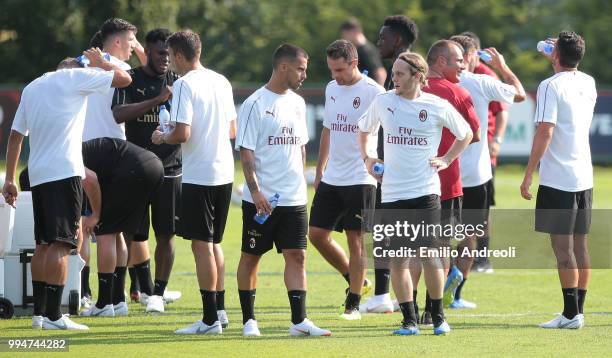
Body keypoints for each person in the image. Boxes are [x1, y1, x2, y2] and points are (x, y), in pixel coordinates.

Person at [2, 50, 131, 330]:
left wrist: (10, 178)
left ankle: (39, 314)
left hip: (38, 174)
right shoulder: (75, 76)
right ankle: (53, 316)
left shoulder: (33, 86)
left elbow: (15, 137)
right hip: (64, 173)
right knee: (62, 244)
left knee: (43, 245)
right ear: (75, 69)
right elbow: (124, 79)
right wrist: (100, 63)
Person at [358, 51, 473, 335]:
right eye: (393, 72)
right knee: (398, 258)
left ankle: (438, 317)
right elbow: (364, 129)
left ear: (417, 76)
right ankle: (409, 320)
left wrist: (446, 159)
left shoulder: (436, 105)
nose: (393, 78)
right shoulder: (384, 101)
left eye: (399, 74)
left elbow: (466, 132)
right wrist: (368, 158)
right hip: (393, 194)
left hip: (425, 192)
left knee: (430, 256)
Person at [235, 43, 331, 337]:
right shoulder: (254, 104)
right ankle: (249, 320)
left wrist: (301, 183)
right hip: (262, 200)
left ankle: (299, 322)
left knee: (297, 256)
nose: (305, 74)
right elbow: (246, 153)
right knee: (251, 257)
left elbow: (301, 148)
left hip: (294, 198)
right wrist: (256, 192)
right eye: (301, 68)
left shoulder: (298, 103)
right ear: (283, 67)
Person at [151, 30, 236, 334]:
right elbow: (231, 129)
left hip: (200, 175)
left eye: (170, 55)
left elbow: (182, 134)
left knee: (202, 246)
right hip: (225, 171)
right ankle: (221, 311)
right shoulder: (221, 81)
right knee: (214, 244)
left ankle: (210, 319)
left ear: (177, 55)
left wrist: (163, 135)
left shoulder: (184, 84)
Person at [521, 31, 595, 329]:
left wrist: (528, 174)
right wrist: (557, 55)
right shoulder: (588, 81)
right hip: (584, 176)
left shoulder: (549, 86)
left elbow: (545, 131)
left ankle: (569, 314)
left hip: (557, 179)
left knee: (562, 250)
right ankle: (577, 311)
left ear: (555, 54)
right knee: (581, 247)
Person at [308, 39, 385, 320]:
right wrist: (320, 170)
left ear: (354, 63)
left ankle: (353, 303)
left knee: (356, 240)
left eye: (339, 70)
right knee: (316, 235)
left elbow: (389, 131)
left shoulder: (374, 92)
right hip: (333, 176)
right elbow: (328, 129)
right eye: (331, 70)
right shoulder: (332, 88)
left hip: (361, 177)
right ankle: (357, 281)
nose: (335, 76)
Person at [449, 34, 525, 309]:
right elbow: (519, 94)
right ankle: (454, 294)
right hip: (475, 175)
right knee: (469, 236)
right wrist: (504, 67)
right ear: (470, 56)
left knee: (437, 235)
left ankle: (429, 296)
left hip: (443, 174)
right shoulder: (480, 81)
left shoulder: (432, 84)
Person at [411, 39, 481, 324]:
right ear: (440, 62)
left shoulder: (408, 90)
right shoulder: (458, 93)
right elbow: (474, 134)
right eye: (458, 60)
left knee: (410, 248)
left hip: (409, 184)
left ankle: (409, 310)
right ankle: (432, 310)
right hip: (446, 184)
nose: (464, 65)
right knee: (437, 249)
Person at [112, 28, 182, 313]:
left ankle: (158, 293)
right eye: (161, 53)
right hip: (136, 168)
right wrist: (156, 100)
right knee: (129, 233)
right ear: (148, 53)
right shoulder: (131, 79)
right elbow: (117, 114)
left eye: (169, 54)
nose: (166, 59)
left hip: (170, 168)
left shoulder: (179, 82)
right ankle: (116, 295)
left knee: (166, 234)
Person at [80, 18, 146, 316]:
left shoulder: (90, 63)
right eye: (131, 41)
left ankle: (101, 299)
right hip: (112, 153)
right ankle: (116, 299)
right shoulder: (107, 66)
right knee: (113, 231)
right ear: (117, 41)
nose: (135, 47)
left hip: (90, 152)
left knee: (95, 228)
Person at [361, 14, 419, 314]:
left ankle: (387, 295)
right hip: (391, 166)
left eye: (383, 37)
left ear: (397, 40)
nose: (378, 42)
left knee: (392, 232)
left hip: (400, 169)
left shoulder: (405, 74)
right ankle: (387, 293)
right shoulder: (398, 74)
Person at [80, 138, 164, 317]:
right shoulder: (80, 148)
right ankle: (118, 300)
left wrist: (95, 215)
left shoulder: (66, 156)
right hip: (154, 165)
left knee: (105, 232)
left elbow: (90, 179)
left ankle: (104, 303)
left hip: (135, 168)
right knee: (117, 232)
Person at [461, 31, 509, 273]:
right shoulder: (454, 77)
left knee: (482, 210)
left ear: (474, 54)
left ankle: (483, 257)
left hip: (482, 152)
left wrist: (497, 140)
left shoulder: (485, 75)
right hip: (460, 154)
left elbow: (503, 110)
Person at [340, 18, 386, 86]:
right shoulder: (358, 49)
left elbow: (380, 73)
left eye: (345, 34)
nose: (344, 38)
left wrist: (379, 95)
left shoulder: (366, 50)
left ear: (355, 31)